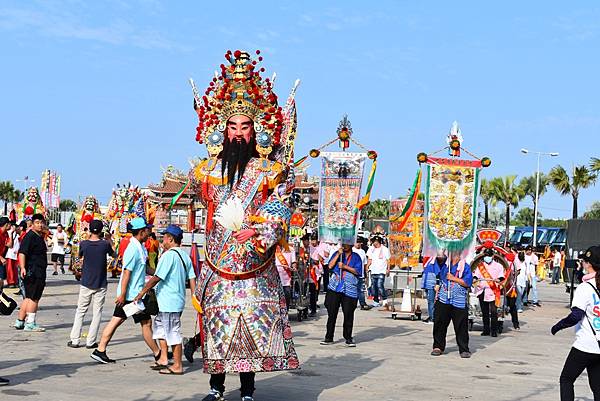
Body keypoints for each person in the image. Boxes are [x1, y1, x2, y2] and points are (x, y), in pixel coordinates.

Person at [191, 50, 299, 401]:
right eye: (232, 126)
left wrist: (258, 229)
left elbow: (281, 205)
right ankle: (216, 387)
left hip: (254, 260)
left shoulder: (268, 170)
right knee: (218, 326)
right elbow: (205, 207)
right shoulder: (208, 170)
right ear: (222, 130)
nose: (238, 133)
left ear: (257, 130)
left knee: (252, 323)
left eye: (245, 126)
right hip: (218, 263)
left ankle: (249, 390)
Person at [91, 217, 160, 364]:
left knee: (133, 322)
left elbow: (143, 268)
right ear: (141, 232)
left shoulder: (140, 247)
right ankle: (158, 353)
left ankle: (101, 349)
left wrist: (157, 273)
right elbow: (127, 273)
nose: (149, 232)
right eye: (147, 230)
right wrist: (122, 295)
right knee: (142, 323)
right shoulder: (132, 249)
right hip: (131, 296)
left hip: (135, 294)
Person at [133, 225, 197, 375]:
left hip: (170, 302)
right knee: (161, 330)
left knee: (172, 332)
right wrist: (194, 295)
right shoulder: (185, 256)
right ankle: (163, 358)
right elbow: (192, 277)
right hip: (172, 301)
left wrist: (142, 292)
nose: (162, 240)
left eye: (164, 237)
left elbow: (157, 277)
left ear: (171, 239)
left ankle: (177, 365)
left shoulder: (169, 255)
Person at [551, 246, 600, 401]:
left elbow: (576, 316)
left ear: (588, 264)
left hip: (586, 345)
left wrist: (558, 326)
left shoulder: (586, 287)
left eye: (583, 261)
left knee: (566, 379)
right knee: (597, 386)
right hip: (599, 346)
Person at [68, 220, 114, 349]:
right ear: (101, 230)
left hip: (86, 282)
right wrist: (110, 239)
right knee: (97, 312)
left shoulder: (84, 244)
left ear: (89, 229)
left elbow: (80, 256)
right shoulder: (105, 245)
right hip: (100, 283)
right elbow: (114, 254)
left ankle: (75, 340)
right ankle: (90, 341)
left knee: (81, 311)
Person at [431, 250, 473, 358]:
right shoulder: (444, 265)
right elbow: (438, 268)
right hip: (444, 298)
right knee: (440, 322)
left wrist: (454, 278)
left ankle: (464, 348)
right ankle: (438, 346)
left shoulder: (465, 267)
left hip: (458, 300)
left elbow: (467, 282)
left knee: (461, 325)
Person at [320, 243, 363, 347]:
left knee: (348, 313)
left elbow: (358, 271)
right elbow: (330, 266)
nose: (345, 245)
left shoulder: (356, 257)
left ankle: (348, 337)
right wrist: (338, 255)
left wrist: (344, 267)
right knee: (332, 313)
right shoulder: (337, 253)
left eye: (347, 244)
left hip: (349, 288)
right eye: (344, 243)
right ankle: (329, 337)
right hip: (335, 287)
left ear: (351, 245)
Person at [15, 214, 48, 331]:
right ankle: (30, 323)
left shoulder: (38, 236)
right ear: (32, 224)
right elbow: (22, 253)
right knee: (34, 298)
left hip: (35, 270)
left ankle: (20, 321)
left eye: (41, 222)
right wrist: (23, 267)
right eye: (37, 222)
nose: (40, 225)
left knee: (28, 297)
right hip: (34, 271)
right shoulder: (30, 236)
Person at [473, 248, 505, 337]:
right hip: (482, 290)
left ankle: (494, 331)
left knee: (494, 312)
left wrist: (498, 279)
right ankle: (486, 329)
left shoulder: (499, 266)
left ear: (493, 256)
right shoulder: (480, 266)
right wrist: (475, 279)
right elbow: (476, 275)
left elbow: (502, 277)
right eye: (486, 256)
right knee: (484, 311)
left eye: (489, 255)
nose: (487, 257)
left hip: (493, 290)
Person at [366, 235, 391, 308]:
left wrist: (388, 269)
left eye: (376, 241)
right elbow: (369, 259)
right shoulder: (371, 249)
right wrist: (367, 266)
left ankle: (384, 299)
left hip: (381, 270)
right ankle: (376, 301)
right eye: (374, 241)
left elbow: (388, 260)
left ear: (379, 242)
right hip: (373, 270)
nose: (374, 243)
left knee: (380, 285)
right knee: (374, 287)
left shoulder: (385, 249)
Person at [422, 250, 444, 324]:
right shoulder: (429, 261)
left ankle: (433, 318)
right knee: (429, 301)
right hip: (427, 283)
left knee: (431, 301)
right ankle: (430, 315)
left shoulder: (434, 261)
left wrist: (437, 283)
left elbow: (438, 273)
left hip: (432, 284)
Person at [275, 244, 297, 311]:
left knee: (287, 294)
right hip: (275, 276)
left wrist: (294, 267)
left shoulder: (291, 249)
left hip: (286, 277)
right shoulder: (274, 249)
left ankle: (286, 311)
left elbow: (293, 261)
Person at [353, 237, 371, 311]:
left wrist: (365, 273)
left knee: (360, 290)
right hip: (352, 274)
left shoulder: (363, 251)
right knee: (352, 289)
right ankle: (351, 304)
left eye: (359, 242)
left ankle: (362, 304)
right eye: (356, 242)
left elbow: (365, 264)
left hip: (360, 274)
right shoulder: (351, 250)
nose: (358, 243)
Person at [0, 217, 13, 290]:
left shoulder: (6, 234)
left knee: (1, 279)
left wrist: (11, 233)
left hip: (1, 260)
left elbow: (10, 245)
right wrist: (1, 258)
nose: (11, 226)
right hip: (1, 259)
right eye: (10, 224)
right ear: (6, 224)